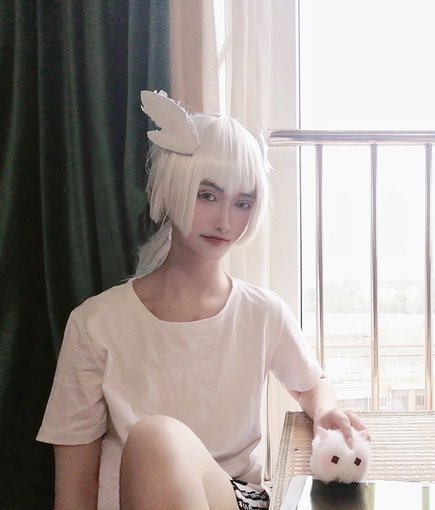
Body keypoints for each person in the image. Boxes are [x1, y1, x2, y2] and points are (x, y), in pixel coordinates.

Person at [37, 90, 366, 510]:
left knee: (156, 436)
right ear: (173, 187)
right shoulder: (96, 323)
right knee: (155, 440)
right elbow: (73, 487)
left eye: (242, 203)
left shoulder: (261, 313)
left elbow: (312, 384)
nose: (225, 220)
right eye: (207, 195)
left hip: (234, 498)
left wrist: (325, 412)